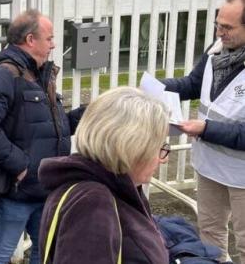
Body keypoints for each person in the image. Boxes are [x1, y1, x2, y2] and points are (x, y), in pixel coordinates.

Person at [0, 9, 85, 264]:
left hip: (45, 187)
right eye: (50, 38)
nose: (54, 44)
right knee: (0, 253)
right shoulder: (4, 73)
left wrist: (89, 113)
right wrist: (19, 165)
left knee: (44, 253)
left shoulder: (40, 73)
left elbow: (48, 126)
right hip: (18, 191)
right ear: (31, 40)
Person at [37, 87, 171, 264]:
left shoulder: (112, 186)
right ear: (133, 148)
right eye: (159, 148)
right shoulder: (92, 203)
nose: (163, 160)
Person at [162, 0, 245, 262]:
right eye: (217, 25)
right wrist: (157, 88)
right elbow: (194, 84)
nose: (220, 32)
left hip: (242, 175)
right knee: (210, 234)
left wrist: (205, 129)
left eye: (227, 27)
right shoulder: (216, 50)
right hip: (209, 167)